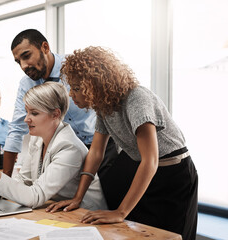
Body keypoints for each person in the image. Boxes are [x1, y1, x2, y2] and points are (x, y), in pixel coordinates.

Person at [46, 46, 198, 240]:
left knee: (171, 236)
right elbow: (96, 153)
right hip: (146, 174)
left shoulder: (137, 99)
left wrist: (121, 212)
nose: (70, 94)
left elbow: (149, 160)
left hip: (173, 177)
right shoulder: (103, 106)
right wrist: (78, 197)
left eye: (76, 88)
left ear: (94, 84)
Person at [0, 82, 107, 210]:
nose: (26, 119)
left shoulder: (69, 147)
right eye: (27, 112)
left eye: (34, 113)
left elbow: (35, 197)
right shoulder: (37, 139)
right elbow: (24, 181)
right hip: (54, 209)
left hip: (84, 215)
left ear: (55, 114)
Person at [3, 29, 118, 178]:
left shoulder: (77, 68)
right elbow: (16, 129)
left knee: (107, 197)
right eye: (18, 62)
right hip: (64, 152)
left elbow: (108, 104)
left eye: (26, 56)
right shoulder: (26, 84)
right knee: (69, 200)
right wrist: (3, 181)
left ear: (45, 47)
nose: (23, 66)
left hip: (101, 146)